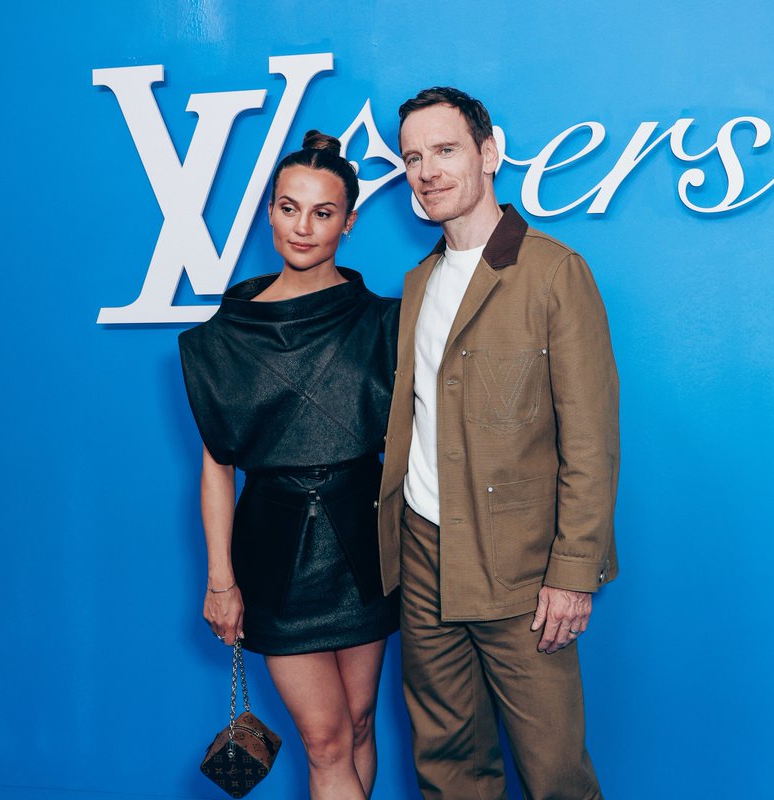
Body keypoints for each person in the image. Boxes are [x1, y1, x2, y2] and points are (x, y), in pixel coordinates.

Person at [377, 87, 620, 799]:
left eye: (445, 150)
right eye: (412, 157)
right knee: (448, 766)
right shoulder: (418, 282)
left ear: (488, 154)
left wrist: (573, 571)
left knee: (555, 775)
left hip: (520, 567)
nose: (427, 171)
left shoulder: (553, 271)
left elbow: (591, 439)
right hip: (424, 557)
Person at [179, 130, 399, 800]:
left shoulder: (386, 323)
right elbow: (217, 468)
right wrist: (221, 580)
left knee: (359, 723)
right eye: (288, 207)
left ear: (348, 222)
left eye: (323, 212)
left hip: (366, 545)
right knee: (326, 741)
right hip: (275, 556)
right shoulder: (222, 339)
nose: (303, 227)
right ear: (269, 213)